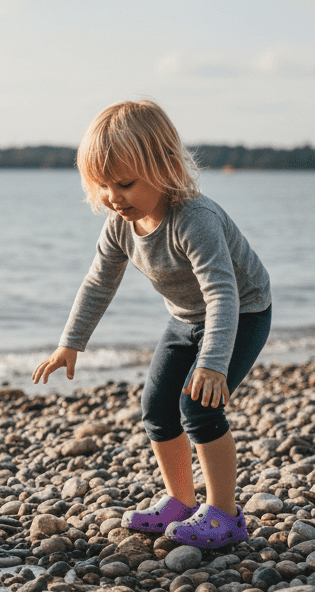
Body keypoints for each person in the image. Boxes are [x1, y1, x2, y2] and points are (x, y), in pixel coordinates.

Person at [32, 100, 271, 549]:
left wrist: (213, 364)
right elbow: (98, 282)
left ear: (165, 167)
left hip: (243, 312)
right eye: (101, 185)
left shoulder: (194, 220)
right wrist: (71, 343)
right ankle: (180, 501)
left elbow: (224, 294)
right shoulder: (120, 225)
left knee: (199, 408)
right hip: (185, 318)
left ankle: (225, 514)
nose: (112, 197)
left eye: (123, 183)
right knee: (158, 410)